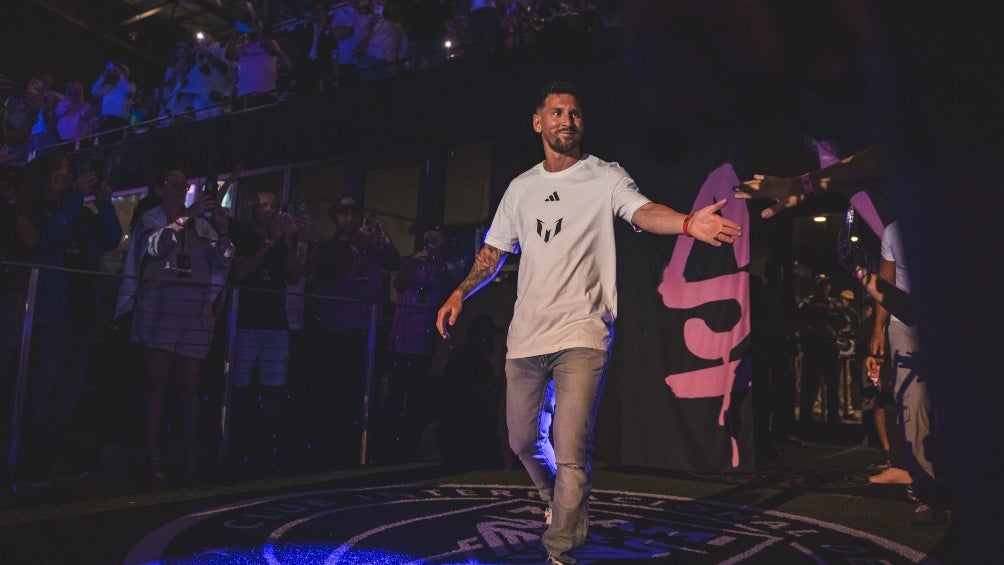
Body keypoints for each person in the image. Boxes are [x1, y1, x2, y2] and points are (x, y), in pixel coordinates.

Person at [435, 81, 741, 564]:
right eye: (557, 112)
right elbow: (493, 252)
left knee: (571, 448)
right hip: (526, 338)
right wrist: (459, 292)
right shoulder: (520, 188)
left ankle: (560, 550)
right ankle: (557, 502)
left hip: (583, 333)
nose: (567, 120)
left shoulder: (604, 176)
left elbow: (644, 211)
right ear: (538, 122)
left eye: (574, 113)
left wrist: (687, 223)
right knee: (522, 440)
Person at [116, 169, 233, 486]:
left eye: (184, 185)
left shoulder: (202, 226)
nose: (181, 189)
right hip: (159, 313)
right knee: (156, 385)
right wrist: (186, 217)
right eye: (174, 184)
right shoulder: (150, 219)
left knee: (190, 390)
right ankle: (153, 459)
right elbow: (156, 247)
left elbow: (224, 261)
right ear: (158, 189)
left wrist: (222, 230)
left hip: (193, 317)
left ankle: (190, 458)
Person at [17, 152, 122, 486]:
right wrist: (76, 200)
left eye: (68, 168)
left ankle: (49, 461)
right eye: (57, 168)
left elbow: (110, 238)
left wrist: (104, 204)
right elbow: (47, 240)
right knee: (41, 390)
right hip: (51, 313)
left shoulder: (81, 213)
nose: (64, 173)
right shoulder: (35, 210)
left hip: (83, 313)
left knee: (67, 392)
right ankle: (27, 464)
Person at [305, 196, 399, 467]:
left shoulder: (372, 246)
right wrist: (356, 246)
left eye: (354, 214)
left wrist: (384, 239)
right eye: (343, 214)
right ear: (334, 217)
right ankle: (334, 452)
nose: (349, 219)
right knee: (337, 391)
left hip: (368, 328)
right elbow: (331, 273)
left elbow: (394, 263)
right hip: (336, 329)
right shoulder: (327, 247)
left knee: (366, 390)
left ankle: (364, 451)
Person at [227, 187, 304, 477]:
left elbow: (294, 277)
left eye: (274, 206)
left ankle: (267, 455)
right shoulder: (242, 235)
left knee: (274, 390)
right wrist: (268, 243)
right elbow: (240, 273)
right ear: (253, 207)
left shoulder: (282, 241)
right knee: (239, 388)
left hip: (275, 323)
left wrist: (290, 244)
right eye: (264, 205)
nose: (270, 210)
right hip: (246, 322)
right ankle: (236, 452)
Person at [381, 227, 462, 462]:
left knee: (416, 399)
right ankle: (390, 448)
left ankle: (410, 449)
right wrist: (411, 265)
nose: (430, 244)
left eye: (435, 240)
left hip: (423, 345)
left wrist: (433, 264)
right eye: (427, 240)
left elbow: (448, 282)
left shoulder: (448, 268)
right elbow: (399, 285)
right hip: (399, 342)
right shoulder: (412, 262)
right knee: (394, 395)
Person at [794, 273, 844, 424]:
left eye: (826, 285)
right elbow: (799, 328)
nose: (824, 288)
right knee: (809, 385)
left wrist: (835, 332)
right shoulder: (806, 305)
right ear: (815, 287)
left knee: (833, 386)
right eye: (821, 285)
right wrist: (817, 331)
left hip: (830, 351)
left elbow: (844, 324)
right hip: (813, 351)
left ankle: (833, 416)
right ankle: (805, 417)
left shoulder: (835, 305)